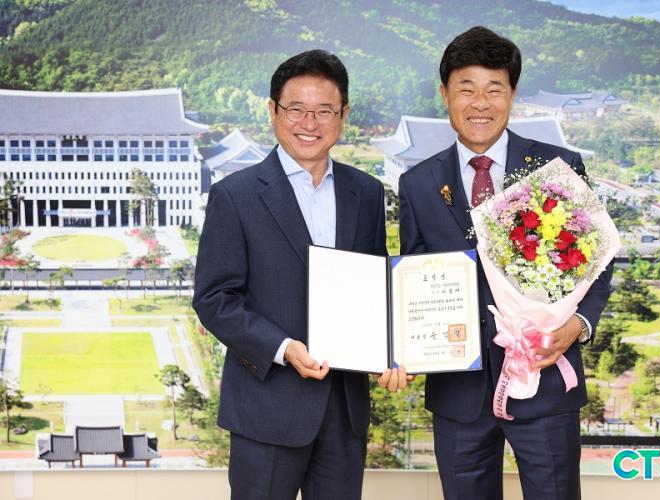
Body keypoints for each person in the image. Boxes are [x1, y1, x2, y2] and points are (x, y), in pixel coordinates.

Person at [398, 27, 614, 500]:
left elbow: (596, 262)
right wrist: (404, 349)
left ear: (512, 94)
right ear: (445, 94)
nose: (481, 103)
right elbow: (413, 277)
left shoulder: (557, 167)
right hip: (458, 392)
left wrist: (578, 325)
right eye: (466, 89)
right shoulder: (417, 183)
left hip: (545, 377)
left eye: (494, 89)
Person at [193, 49, 406, 500]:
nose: (310, 123)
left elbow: (375, 289)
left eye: (324, 110)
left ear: (343, 115)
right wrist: (284, 348)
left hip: (344, 410)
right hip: (266, 408)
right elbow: (215, 299)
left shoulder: (367, 193)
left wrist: (393, 351)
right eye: (296, 109)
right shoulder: (235, 195)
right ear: (273, 111)